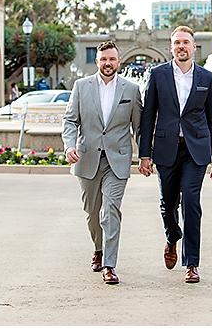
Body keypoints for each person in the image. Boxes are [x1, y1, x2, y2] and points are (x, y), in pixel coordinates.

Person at [138, 26, 212, 284]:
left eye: (186, 42)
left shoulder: (207, 78)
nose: (181, 47)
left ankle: (192, 263)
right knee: (168, 204)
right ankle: (171, 237)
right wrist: (144, 154)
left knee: (191, 203)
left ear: (194, 47)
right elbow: (147, 117)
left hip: (196, 151)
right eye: (177, 43)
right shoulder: (157, 75)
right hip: (166, 149)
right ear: (171, 47)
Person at [62, 40, 142, 284]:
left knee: (111, 211)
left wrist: (147, 156)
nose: (108, 63)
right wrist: (70, 145)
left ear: (119, 61)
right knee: (92, 213)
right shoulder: (81, 86)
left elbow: (140, 128)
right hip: (87, 159)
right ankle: (98, 247)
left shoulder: (131, 89)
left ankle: (109, 263)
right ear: (97, 62)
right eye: (103, 59)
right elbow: (70, 120)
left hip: (117, 161)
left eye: (112, 59)